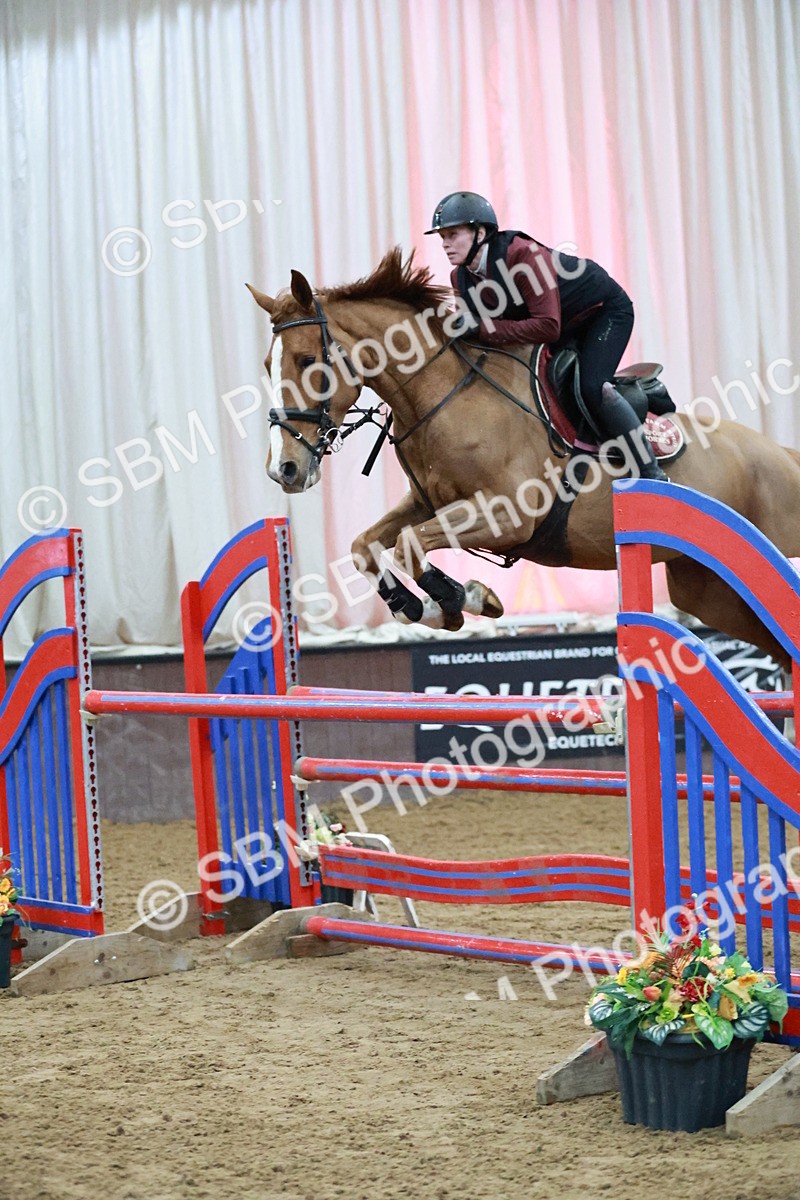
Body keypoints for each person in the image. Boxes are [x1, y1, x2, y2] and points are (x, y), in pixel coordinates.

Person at [425, 190, 668, 481]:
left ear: (480, 232)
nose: (445, 244)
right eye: (442, 237)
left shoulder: (522, 256)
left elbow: (546, 326)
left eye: (453, 234)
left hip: (604, 312)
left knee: (591, 387)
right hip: (564, 323)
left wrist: (481, 327)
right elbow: (471, 336)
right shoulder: (460, 278)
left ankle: (652, 473)